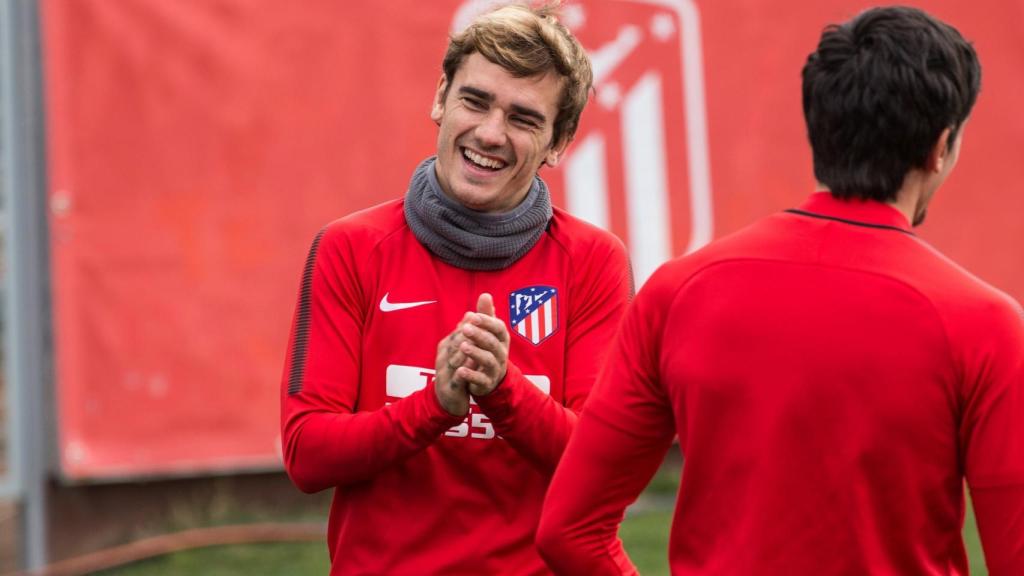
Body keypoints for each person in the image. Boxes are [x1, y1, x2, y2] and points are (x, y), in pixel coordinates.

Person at [537, 6, 1024, 575]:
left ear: (821, 124)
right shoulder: (987, 326)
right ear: (940, 146)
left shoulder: (680, 291)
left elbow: (569, 529)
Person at [279, 3, 632, 574]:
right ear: (441, 97)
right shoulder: (350, 247)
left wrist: (505, 392)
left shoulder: (592, 262)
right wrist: (434, 406)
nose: (491, 134)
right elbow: (307, 454)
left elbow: (606, 464)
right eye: (475, 100)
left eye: (524, 118)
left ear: (559, 142)